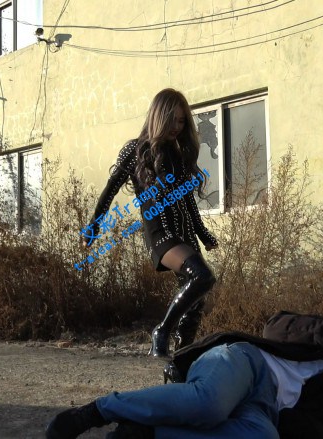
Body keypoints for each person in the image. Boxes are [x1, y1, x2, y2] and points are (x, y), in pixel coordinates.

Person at [45, 309, 323, 439]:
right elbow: (275, 325)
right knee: (210, 405)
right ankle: (96, 411)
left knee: (262, 436)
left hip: (264, 405)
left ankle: (143, 433)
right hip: (245, 362)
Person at [81, 88, 219, 358]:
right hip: (161, 233)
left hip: (185, 233)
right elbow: (110, 190)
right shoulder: (135, 150)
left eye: (182, 121)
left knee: (195, 305)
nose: (177, 127)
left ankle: (182, 358)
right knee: (203, 276)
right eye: (172, 120)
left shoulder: (179, 154)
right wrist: (93, 227)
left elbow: (187, 200)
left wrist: (202, 233)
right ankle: (162, 332)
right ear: (159, 117)